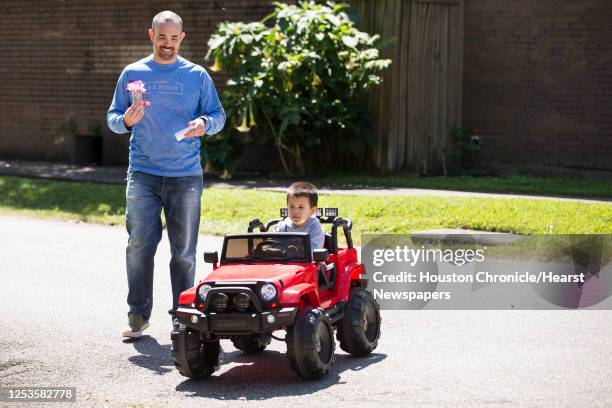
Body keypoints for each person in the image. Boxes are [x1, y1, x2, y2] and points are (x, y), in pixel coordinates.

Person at [106, 10, 226, 338]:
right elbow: (113, 117)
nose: (167, 44)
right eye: (162, 38)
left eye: (174, 38)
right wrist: (126, 121)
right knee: (138, 246)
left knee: (184, 253)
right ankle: (137, 314)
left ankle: (182, 316)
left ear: (182, 39)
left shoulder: (197, 75)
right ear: (151, 36)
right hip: (143, 173)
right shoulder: (133, 72)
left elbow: (218, 115)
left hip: (185, 177)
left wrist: (205, 124)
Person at [274, 182, 325, 249]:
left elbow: (314, 252)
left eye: (301, 207)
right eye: (292, 207)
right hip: (284, 258)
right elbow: (272, 244)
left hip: (307, 259)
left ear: (312, 210)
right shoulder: (283, 226)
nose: (295, 211)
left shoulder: (315, 228)